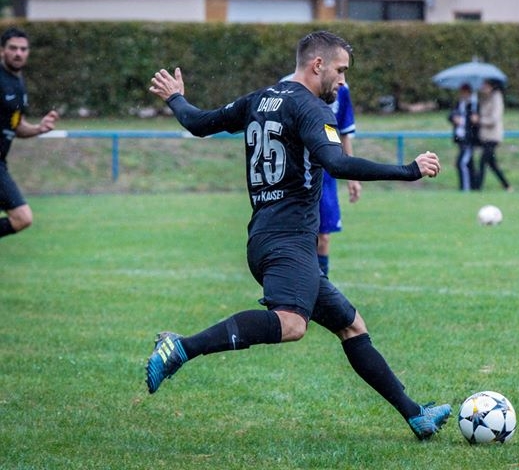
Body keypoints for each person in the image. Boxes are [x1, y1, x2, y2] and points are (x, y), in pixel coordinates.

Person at [145, 31, 450, 440]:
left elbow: (199, 123)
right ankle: (181, 347)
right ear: (317, 65)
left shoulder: (260, 100)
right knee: (291, 324)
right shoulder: (310, 108)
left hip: (269, 237)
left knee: (352, 326)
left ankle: (416, 416)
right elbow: (337, 164)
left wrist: (175, 98)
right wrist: (408, 170)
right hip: (287, 240)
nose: (343, 81)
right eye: (341, 70)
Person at [0, 27, 59, 240]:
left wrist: (38, 129)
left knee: (22, 219)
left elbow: (15, 125)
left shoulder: (18, 82)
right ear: (2, 50)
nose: (18, 53)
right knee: (22, 217)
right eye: (13, 48)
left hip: (1, 162)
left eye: (23, 49)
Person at [318, 83, 361, 276]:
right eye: (340, 70)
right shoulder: (290, 86)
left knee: (323, 237)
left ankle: (321, 286)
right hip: (298, 176)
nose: (342, 79)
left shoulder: (341, 89)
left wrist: (352, 177)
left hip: (325, 176)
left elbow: (343, 133)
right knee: (300, 238)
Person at [476, 79, 512, 192]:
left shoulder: (496, 98)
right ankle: (507, 186)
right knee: (492, 164)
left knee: (482, 162)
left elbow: (494, 119)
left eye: (485, 86)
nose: (483, 88)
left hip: (493, 136)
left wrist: (479, 120)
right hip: (485, 136)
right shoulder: (484, 99)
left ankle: (477, 188)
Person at [448, 83, 479, 191]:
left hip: (469, 139)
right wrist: (454, 118)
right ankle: (473, 187)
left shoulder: (474, 105)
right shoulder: (459, 104)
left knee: (462, 163)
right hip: (461, 139)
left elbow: (477, 121)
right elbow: (450, 115)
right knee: (468, 164)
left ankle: (466, 188)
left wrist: (475, 120)